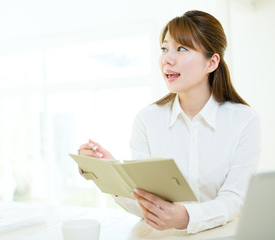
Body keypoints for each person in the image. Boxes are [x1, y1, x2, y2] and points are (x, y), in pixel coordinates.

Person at [78, 10, 260, 234]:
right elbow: (144, 201)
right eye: (164, 49)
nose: (167, 59)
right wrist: (109, 172)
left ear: (211, 62)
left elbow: (234, 199)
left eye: (181, 48)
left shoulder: (243, 120)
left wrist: (186, 217)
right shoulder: (147, 119)